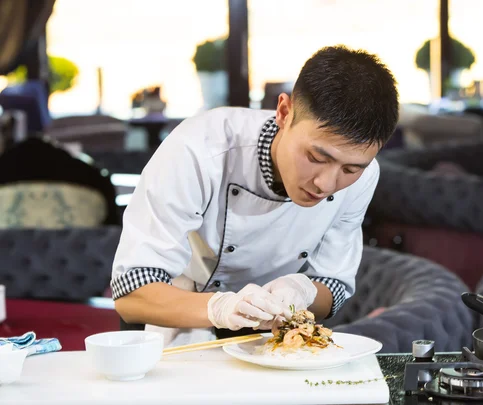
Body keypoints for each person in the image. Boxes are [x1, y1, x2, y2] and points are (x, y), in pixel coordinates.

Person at [111, 45, 399, 345]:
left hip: (267, 336)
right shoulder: (198, 148)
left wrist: (302, 291)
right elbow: (131, 296)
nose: (326, 184)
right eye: (316, 157)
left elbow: (333, 287)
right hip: (171, 317)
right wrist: (220, 307)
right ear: (284, 113)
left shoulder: (365, 177)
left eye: (350, 169)